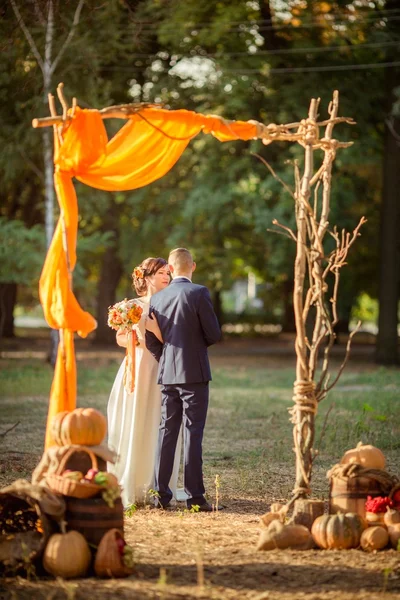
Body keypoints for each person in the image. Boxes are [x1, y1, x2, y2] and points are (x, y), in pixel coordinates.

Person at [145, 248, 222, 512]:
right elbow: (213, 334)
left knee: (166, 433)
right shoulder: (199, 293)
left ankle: (159, 496)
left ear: (170, 269)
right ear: (193, 266)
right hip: (195, 374)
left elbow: (152, 341)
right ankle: (194, 498)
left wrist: (167, 358)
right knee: (192, 434)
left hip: (168, 375)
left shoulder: (158, 298)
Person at [107, 257, 183, 507]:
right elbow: (120, 338)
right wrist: (135, 340)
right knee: (135, 419)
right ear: (147, 277)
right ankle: (132, 480)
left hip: (161, 366)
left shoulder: (172, 302)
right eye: (161, 272)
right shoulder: (131, 305)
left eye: (167, 272)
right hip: (137, 367)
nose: (166, 276)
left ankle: (156, 484)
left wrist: (151, 334)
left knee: (158, 421)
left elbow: (174, 339)